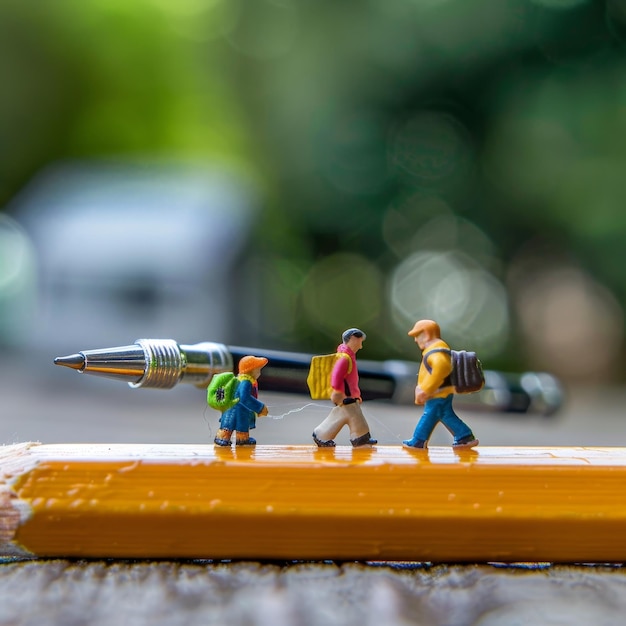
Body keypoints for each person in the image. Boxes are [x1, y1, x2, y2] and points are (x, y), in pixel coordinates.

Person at [403, 319, 478, 450]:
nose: (415, 340)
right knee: (445, 414)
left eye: (417, 335)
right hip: (442, 392)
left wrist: (426, 389)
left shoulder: (436, 351)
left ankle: (418, 441)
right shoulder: (436, 349)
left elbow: (442, 367)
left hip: (436, 393)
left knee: (429, 414)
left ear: (426, 334)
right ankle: (464, 436)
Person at [312, 328, 377, 447]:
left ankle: (322, 435)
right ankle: (360, 438)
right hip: (345, 395)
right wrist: (338, 392)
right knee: (353, 416)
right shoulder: (344, 358)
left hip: (349, 395)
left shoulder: (348, 356)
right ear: (352, 339)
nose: (361, 346)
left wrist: (356, 396)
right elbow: (336, 377)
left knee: (344, 415)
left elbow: (350, 380)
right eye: (359, 342)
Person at [214, 356, 269, 446]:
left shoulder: (240, 380)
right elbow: (244, 398)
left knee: (239, 424)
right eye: (258, 370)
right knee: (230, 424)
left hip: (237, 409)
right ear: (251, 370)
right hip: (237, 410)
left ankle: (242, 439)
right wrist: (260, 407)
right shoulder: (246, 382)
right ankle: (223, 438)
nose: (259, 373)